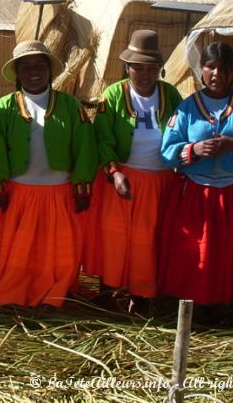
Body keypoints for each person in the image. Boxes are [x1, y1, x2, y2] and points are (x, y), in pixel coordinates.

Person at [0, 40, 97, 308]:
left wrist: (82, 186)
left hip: (59, 193)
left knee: (55, 251)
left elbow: (85, 147)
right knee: (18, 252)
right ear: (18, 73)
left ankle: (52, 296)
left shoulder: (70, 107)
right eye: (27, 67)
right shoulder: (4, 108)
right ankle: (13, 295)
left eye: (40, 66)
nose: (34, 72)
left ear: (50, 70)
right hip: (18, 195)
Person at [159, 42, 233, 306]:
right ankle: (197, 304)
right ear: (201, 70)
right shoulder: (187, 109)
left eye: (224, 68)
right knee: (199, 249)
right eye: (211, 67)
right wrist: (195, 149)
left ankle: (231, 302)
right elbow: (167, 153)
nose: (216, 74)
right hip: (197, 193)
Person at [88, 30, 182, 312]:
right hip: (121, 177)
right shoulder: (114, 95)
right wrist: (114, 172)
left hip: (158, 180)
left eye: (151, 69)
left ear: (159, 70)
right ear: (127, 68)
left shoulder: (171, 95)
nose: (143, 75)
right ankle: (109, 291)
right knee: (114, 235)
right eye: (137, 68)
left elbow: (184, 130)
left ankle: (141, 295)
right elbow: (101, 138)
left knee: (147, 238)